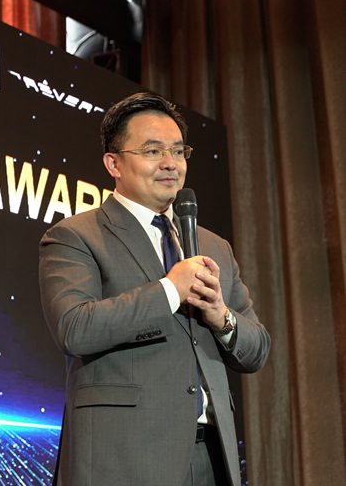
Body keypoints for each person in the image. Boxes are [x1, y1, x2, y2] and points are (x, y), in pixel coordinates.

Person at [39, 92, 270, 486]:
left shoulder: (214, 246)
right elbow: (75, 328)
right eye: (152, 151)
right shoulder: (75, 236)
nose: (170, 163)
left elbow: (257, 349)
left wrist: (222, 318)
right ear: (113, 163)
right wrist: (169, 290)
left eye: (178, 151)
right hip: (124, 457)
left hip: (211, 456)